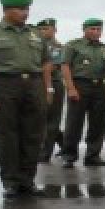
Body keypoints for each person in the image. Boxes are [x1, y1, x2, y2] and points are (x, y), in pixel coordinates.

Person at [0, 0, 53, 198]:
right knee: (8, 134)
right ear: (6, 10)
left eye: (27, 9)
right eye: (20, 9)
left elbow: (46, 63)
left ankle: (28, 181)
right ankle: (11, 182)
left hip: (34, 84)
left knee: (33, 134)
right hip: (4, 85)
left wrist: (48, 88)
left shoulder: (35, 34)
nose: (25, 13)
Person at [59, 18, 105, 168]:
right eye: (92, 29)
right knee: (74, 122)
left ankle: (93, 155)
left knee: (98, 123)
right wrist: (70, 88)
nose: (96, 32)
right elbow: (65, 66)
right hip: (80, 84)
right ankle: (69, 155)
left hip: (98, 86)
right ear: (84, 30)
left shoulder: (104, 48)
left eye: (98, 29)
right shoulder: (73, 45)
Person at [34, 18, 65, 162]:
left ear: (54, 30)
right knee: (40, 118)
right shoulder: (35, 45)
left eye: (47, 29)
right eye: (41, 29)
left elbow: (51, 66)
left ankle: (45, 153)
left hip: (53, 84)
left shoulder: (56, 47)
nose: (43, 32)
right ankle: (65, 143)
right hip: (37, 83)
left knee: (52, 119)